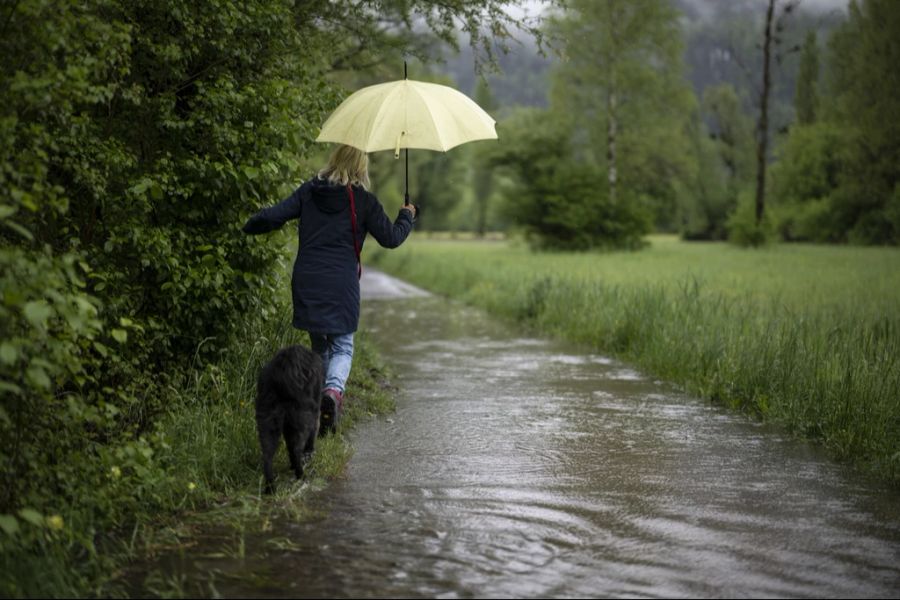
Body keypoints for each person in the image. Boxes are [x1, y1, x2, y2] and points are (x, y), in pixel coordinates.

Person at [242, 144, 416, 434]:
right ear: (362, 167)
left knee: (320, 345)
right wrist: (407, 215)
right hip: (341, 284)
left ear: (334, 161)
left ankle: (318, 407)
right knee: (343, 346)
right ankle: (332, 394)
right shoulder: (364, 201)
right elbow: (391, 238)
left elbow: (274, 215)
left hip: (308, 281)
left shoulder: (309, 192)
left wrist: (249, 226)